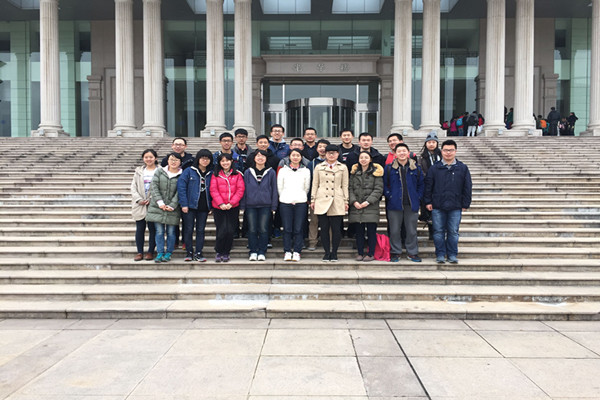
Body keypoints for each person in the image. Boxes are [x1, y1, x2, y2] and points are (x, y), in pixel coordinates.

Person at [424, 139, 472, 264]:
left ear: (455, 151)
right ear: (441, 151)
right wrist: (428, 201)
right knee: (438, 231)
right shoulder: (435, 168)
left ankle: (452, 254)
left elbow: (467, 186)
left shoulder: (462, 168)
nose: (448, 153)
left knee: (453, 232)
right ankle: (440, 254)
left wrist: (465, 203)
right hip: (438, 205)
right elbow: (428, 186)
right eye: (446, 150)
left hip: (455, 205)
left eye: (451, 150)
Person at [384, 143, 424, 263]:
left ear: (408, 152)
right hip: (394, 203)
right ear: (395, 154)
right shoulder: (389, 168)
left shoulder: (416, 168)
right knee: (394, 230)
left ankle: (412, 252)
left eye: (404, 151)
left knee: (411, 230)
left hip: (411, 204)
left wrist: (418, 196)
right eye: (399, 151)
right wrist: (389, 195)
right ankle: (395, 252)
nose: (402, 153)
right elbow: (384, 184)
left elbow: (421, 184)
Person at [311, 144, 349, 262]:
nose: (331, 155)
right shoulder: (319, 167)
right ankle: (327, 252)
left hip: (337, 199)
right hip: (322, 198)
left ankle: (334, 252)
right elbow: (315, 184)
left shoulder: (343, 167)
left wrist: (346, 200)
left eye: (334, 153)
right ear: (325, 154)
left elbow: (345, 185)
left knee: (336, 229)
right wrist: (313, 199)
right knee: (324, 228)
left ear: (338, 154)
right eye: (329, 153)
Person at [241, 150, 278, 262]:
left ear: (266, 159)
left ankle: (262, 251)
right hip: (250, 205)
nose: (260, 158)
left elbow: (274, 189)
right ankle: (253, 251)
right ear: (254, 158)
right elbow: (244, 189)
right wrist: (243, 205)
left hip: (266, 205)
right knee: (252, 229)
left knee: (263, 229)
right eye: (258, 156)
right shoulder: (248, 172)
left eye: (262, 156)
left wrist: (274, 206)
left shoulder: (271, 172)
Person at [177, 149, 213, 262]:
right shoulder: (189, 171)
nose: (205, 161)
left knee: (200, 230)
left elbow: (214, 189)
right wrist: (184, 204)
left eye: (207, 159)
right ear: (198, 159)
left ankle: (198, 252)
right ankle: (189, 252)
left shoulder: (211, 173)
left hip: (204, 207)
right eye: (203, 158)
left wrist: (211, 205)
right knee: (188, 229)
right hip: (190, 206)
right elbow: (181, 188)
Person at [146, 152, 182, 263]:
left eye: (176, 160)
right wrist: (160, 202)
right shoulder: (159, 171)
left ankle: (169, 253)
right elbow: (154, 187)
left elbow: (180, 191)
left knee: (171, 232)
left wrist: (172, 205)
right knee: (159, 232)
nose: (173, 162)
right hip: (158, 207)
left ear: (180, 162)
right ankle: (160, 253)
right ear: (167, 161)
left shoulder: (182, 174)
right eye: (171, 159)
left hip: (173, 208)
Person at [210, 153, 245, 262]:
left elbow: (240, 190)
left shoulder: (237, 174)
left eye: (227, 160)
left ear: (231, 161)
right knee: (221, 230)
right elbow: (213, 190)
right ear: (219, 163)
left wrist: (231, 203)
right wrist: (220, 203)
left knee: (230, 230)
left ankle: (226, 252)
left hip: (232, 207)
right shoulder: (215, 174)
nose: (225, 163)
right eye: (222, 161)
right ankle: (219, 251)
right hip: (218, 207)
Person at [349, 151, 383, 262]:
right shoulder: (354, 173)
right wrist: (354, 201)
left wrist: (368, 202)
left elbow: (378, 189)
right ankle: (360, 253)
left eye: (366, 157)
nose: (363, 159)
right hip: (357, 206)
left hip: (370, 207)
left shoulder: (376, 172)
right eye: (361, 157)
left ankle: (371, 253)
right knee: (359, 232)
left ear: (370, 159)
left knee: (371, 232)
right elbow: (350, 188)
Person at [278, 149, 311, 262]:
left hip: (300, 202)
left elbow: (306, 187)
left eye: (298, 155)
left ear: (301, 157)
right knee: (287, 228)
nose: (295, 157)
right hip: (285, 202)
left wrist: (300, 197)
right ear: (289, 157)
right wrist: (285, 197)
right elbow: (280, 187)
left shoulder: (305, 171)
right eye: (293, 155)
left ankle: (297, 251)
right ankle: (287, 251)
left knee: (298, 228)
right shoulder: (283, 170)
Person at [130, 148, 158, 261]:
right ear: (143, 158)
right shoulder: (138, 172)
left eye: (151, 157)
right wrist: (138, 199)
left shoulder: (160, 171)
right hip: (140, 204)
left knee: (153, 229)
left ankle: (150, 251)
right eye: (146, 157)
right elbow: (133, 187)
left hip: (154, 204)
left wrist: (152, 199)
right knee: (140, 229)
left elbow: (162, 188)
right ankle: (140, 252)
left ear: (155, 158)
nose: (148, 159)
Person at [418, 132, 442, 240]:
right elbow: (420, 170)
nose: (431, 144)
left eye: (433, 142)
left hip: (441, 186)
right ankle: (432, 232)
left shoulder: (441, 155)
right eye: (429, 142)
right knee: (429, 210)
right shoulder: (422, 157)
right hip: (427, 186)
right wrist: (429, 178)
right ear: (426, 144)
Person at [306, 139, 330, 250]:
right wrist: (310, 197)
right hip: (316, 197)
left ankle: (329, 242)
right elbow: (310, 182)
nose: (322, 149)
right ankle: (312, 242)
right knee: (314, 221)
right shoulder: (312, 164)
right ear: (316, 149)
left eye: (325, 147)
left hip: (330, 196)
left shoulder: (335, 163)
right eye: (320, 146)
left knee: (329, 222)